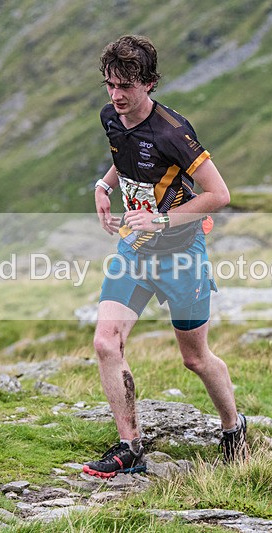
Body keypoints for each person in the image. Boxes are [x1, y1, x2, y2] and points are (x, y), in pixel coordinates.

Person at [82, 35, 247, 479]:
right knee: (105, 342)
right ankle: (130, 447)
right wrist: (104, 185)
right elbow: (127, 156)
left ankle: (233, 428)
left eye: (126, 87)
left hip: (181, 254)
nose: (116, 96)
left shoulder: (174, 131)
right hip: (134, 251)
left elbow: (219, 194)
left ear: (149, 84)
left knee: (194, 359)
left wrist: (161, 220)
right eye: (109, 85)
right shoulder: (110, 117)